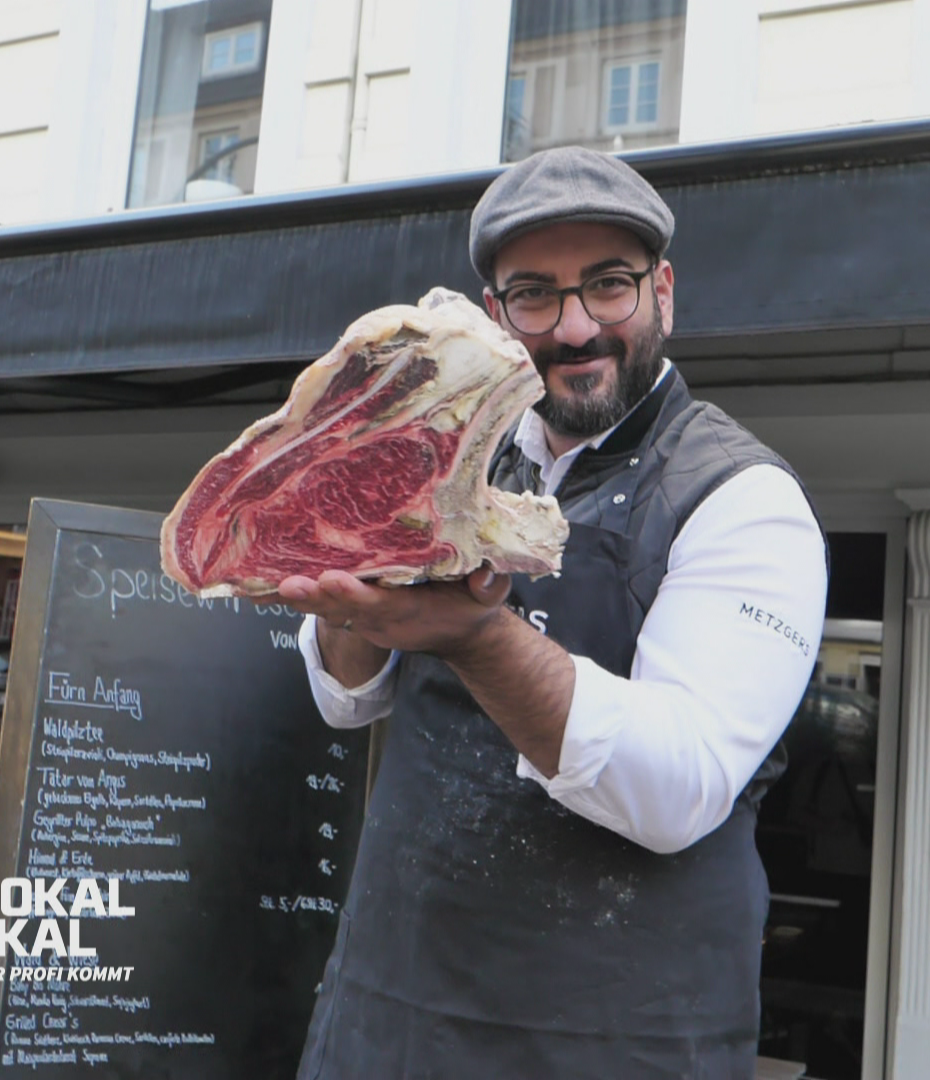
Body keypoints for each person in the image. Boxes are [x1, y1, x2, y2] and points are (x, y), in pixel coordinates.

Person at [273, 146, 828, 1078]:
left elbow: (676, 790)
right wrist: (352, 594)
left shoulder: (743, 500)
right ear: (496, 317)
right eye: (534, 295)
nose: (574, 329)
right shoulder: (458, 459)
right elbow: (347, 700)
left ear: (664, 293)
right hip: (389, 1018)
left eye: (608, 286)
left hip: (612, 1045)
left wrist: (479, 638)